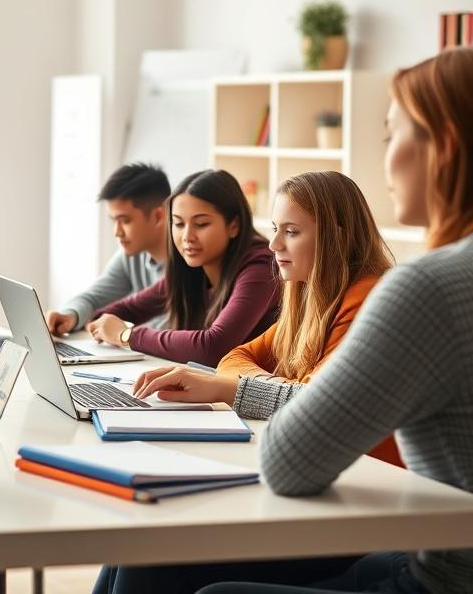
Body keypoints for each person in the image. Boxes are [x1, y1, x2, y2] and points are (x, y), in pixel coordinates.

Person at [194, 47, 473, 594]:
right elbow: (246, 358)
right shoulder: (322, 298)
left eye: (393, 135)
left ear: (444, 146)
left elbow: (288, 460)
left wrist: (242, 390)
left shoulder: (425, 290)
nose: (386, 156)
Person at [131, 170, 402, 466]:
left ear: (336, 235)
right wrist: (278, 388)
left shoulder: (367, 299)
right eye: (275, 229)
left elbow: (318, 407)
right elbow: (233, 359)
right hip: (336, 461)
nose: (274, 244)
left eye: (291, 231)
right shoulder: (309, 297)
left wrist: (236, 389)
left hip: (375, 472)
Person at [85, 169, 279, 366]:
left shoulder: (261, 267)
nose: (187, 237)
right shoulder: (192, 267)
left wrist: (126, 335)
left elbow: (213, 346)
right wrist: (92, 321)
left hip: (260, 392)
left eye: (201, 224)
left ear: (234, 225)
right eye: (178, 223)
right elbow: (127, 309)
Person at [45, 163, 170, 335]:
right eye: (114, 220)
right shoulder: (131, 256)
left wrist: (123, 336)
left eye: (125, 220)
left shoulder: (191, 259)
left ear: (158, 216)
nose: (117, 232)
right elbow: (93, 299)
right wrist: (70, 315)